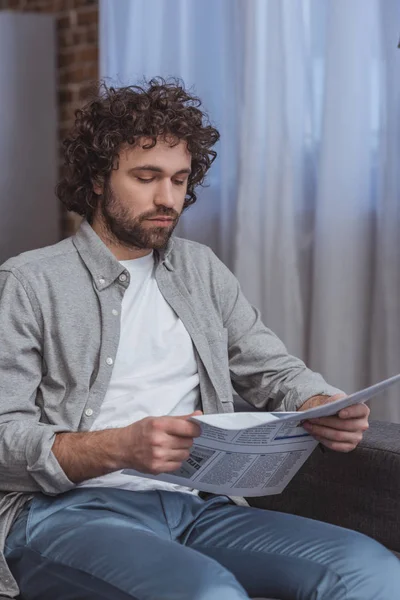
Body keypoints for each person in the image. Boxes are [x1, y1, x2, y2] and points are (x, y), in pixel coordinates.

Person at [1, 78, 399, 600]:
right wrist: (119, 447)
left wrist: (319, 401)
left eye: (180, 179)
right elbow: (5, 436)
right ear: (99, 179)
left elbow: (271, 368)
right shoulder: (29, 282)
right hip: (67, 513)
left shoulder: (200, 269)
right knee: (207, 593)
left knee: (370, 570)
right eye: (146, 178)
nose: (169, 199)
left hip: (197, 507)